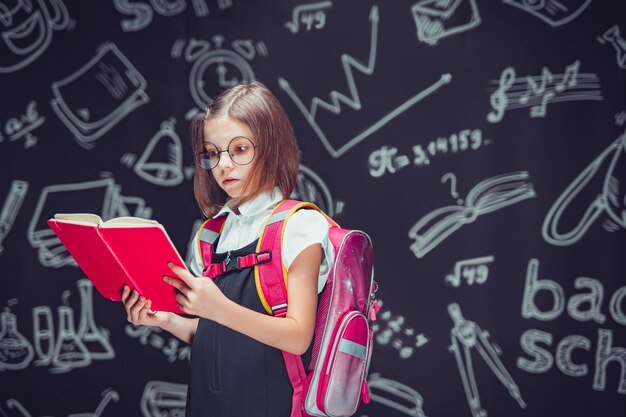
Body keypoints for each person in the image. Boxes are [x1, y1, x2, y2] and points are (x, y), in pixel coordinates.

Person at [121, 80, 334, 417]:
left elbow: (298, 336)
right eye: (213, 153)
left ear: (270, 147)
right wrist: (164, 320)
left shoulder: (299, 226)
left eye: (239, 149)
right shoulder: (209, 237)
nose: (224, 165)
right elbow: (216, 337)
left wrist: (217, 307)